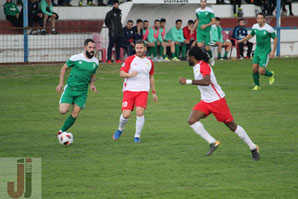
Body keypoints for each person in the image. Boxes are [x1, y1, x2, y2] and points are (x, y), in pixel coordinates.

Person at [179, 46, 260, 160]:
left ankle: (253, 147)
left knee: (232, 126)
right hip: (206, 101)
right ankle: (213, 142)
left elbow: (206, 82)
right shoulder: (196, 66)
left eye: (188, 56)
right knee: (191, 120)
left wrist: (187, 81)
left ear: (193, 57)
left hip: (217, 101)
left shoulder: (204, 66)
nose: (186, 58)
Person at [113, 40, 158, 143]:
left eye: (141, 48)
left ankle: (137, 136)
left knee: (140, 112)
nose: (139, 50)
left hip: (142, 91)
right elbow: (121, 73)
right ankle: (120, 129)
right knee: (126, 115)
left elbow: (151, 77)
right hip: (129, 90)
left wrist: (154, 92)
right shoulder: (130, 60)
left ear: (145, 48)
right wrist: (130, 74)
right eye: (137, 48)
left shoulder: (149, 62)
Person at [56, 39, 99, 139]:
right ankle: (68, 101)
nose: (92, 50)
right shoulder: (76, 58)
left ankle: (61, 132)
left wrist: (92, 84)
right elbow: (64, 68)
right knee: (62, 111)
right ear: (85, 48)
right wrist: (60, 83)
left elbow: (92, 75)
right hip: (70, 89)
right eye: (90, 47)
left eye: (93, 48)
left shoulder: (95, 62)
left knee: (75, 114)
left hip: (82, 92)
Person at [237, 13, 277, 91]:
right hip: (257, 51)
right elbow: (251, 35)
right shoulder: (255, 26)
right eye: (258, 18)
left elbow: (275, 38)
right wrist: (241, 40)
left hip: (265, 51)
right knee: (254, 69)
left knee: (261, 71)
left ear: (264, 19)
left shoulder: (269, 28)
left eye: (261, 18)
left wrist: (273, 51)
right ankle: (257, 86)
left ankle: (271, 74)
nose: (259, 20)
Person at [194, 0, 216, 66]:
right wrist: (193, 28)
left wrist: (206, 25)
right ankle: (202, 61)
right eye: (202, 1)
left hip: (207, 31)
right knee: (199, 46)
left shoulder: (210, 10)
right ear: (200, 2)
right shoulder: (197, 11)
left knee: (207, 49)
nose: (203, 3)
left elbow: (214, 21)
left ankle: (211, 58)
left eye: (204, 2)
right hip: (200, 31)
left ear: (206, 2)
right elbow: (197, 20)